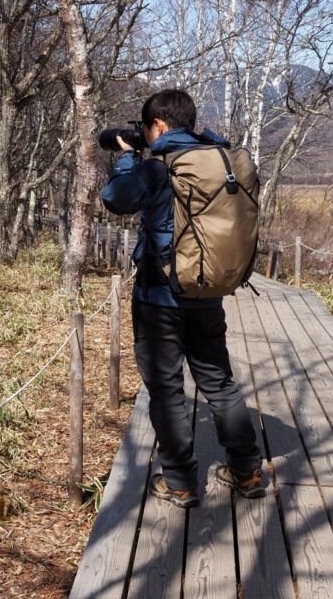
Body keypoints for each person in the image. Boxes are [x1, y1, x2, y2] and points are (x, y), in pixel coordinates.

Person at [100, 89, 264, 508]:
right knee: (219, 383)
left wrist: (125, 158)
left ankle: (181, 484)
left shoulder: (159, 169)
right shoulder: (216, 160)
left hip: (160, 299)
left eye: (146, 129)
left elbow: (115, 199)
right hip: (208, 293)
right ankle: (247, 473)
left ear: (157, 126)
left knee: (168, 391)